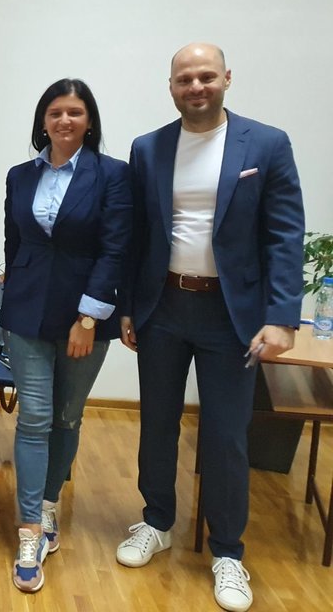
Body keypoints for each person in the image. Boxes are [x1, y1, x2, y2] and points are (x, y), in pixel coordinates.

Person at [116, 43, 304, 612]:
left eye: (205, 76)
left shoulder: (265, 144)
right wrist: (129, 306)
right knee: (158, 424)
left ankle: (227, 551)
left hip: (231, 316)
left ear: (226, 78)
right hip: (164, 308)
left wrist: (281, 317)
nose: (195, 87)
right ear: (171, 86)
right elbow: (137, 234)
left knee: (226, 434)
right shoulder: (148, 148)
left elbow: (284, 235)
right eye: (184, 79)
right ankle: (156, 521)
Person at [0, 79, 132, 592]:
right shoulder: (20, 175)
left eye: (74, 112)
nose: (64, 121)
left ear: (89, 120)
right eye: (55, 112)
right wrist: (9, 297)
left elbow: (115, 249)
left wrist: (88, 318)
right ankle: (30, 527)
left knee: (66, 416)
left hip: (83, 317)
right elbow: (13, 243)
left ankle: (50, 503)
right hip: (27, 313)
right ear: (43, 121)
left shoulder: (112, 175)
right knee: (34, 417)